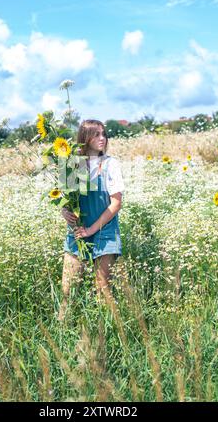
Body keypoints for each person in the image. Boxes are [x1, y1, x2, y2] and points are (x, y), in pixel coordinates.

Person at [58, 119, 124, 321]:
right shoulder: (71, 164)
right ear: (85, 138)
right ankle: (62, 330)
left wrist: (92, 229)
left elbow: (116, 203)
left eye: (104, 134)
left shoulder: (111, 164)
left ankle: (113, 332)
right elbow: (65, 200)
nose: (102, 138)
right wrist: (64, 212)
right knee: (67, 290)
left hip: (104, 232)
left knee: (102, 289)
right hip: (78, 233)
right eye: (96, 134)